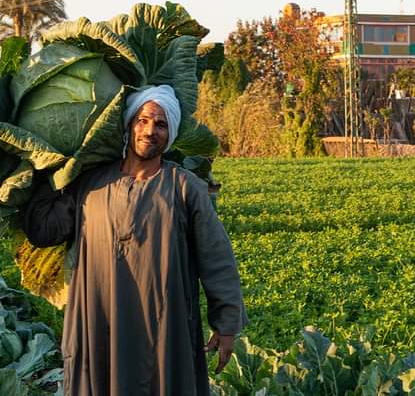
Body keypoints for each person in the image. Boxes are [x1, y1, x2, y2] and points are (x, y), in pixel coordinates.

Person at [23, 85, 247, 396]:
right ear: (129, 126)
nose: (150, 130)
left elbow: (217, 258)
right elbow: (44, 231)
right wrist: (45, 168)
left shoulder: (185, 188)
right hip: (100, 323)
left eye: (161, 124)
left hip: (164, 329)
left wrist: (226, 326)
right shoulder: (91, 183)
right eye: (142, 120)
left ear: (169, 135)